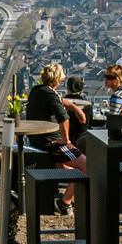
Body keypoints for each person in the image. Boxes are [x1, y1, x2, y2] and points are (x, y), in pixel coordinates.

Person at [25, 64, 87, 212]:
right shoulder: (50, 94)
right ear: (58, 79)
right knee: (87, 166)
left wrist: (75, 107)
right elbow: (63, 117)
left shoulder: (37, 91)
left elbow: (61, 101)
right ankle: (65, 203)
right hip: (51, 143)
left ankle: (71, 195)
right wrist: (66, 140)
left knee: (70, 170)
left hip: (36, 139)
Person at [64, 75, 93, 140]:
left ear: (68, 87)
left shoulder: (61, 103)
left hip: (65, 139)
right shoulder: (87, 104)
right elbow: (90, 124)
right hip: (82, 140)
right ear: (81, 89)